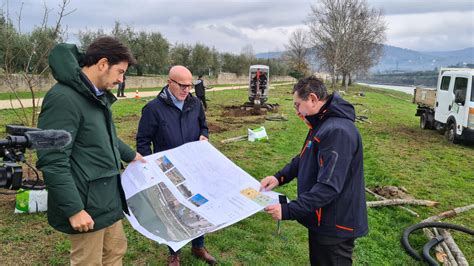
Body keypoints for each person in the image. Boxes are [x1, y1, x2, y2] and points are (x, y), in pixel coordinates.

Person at [36, 36, 145, 265]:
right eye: (120, 71)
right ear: (103, 64)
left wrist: (132, 156)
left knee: (115, 252)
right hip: (86, 203)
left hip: (107, 198)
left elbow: (106, 137)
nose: (121, 79)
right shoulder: (63, 99)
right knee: (89, 261)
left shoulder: (96, 96)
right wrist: (74, 209)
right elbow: (52, 160)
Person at [260, 76, 368, 265]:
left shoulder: (337, 131)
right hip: (322, 219)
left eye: (297, 105)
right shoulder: (322, 122)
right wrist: (279, 177)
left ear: (312, 99)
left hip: (334, 225)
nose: (297, 111)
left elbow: (328, 188)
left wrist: (288, 210)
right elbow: (305, 156)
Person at [136, 65, 214, 266]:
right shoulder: (153, 109)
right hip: (167, 170)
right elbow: (143, 141)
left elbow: (203, 125)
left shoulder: (195, 104)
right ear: (169, 82)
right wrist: (149, 168)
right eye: (182, 85)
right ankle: (175, 253)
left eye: (190, 86)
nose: (186, 90)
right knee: (173, 210)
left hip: (194, 166)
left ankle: (198, 245)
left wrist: (204, 136)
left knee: (197, 206)